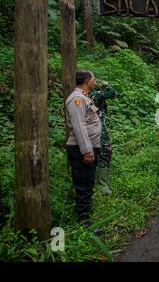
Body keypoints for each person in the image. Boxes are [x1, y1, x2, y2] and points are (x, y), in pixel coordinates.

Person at [66, 70, 102, 232]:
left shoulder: (85, 98)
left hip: (91, 147)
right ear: (87, 80)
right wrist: (87, 150)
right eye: (94, 79)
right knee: (83, 185)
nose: (96, 82)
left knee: (87, 183)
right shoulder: (77, 99)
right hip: (82, 149)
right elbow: (79, 126)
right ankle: (84, 223)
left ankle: (86, 215)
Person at [89, 80, 117, 195]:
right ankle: (102, 184)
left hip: (93, 128)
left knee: (96, 154)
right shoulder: (95, 95)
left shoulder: (88, 95)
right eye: (94, 80)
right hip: (97, 129)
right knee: (104, 152)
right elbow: (112, 93)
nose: (95, 82)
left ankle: (97, 183)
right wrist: (106, 85)